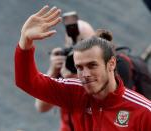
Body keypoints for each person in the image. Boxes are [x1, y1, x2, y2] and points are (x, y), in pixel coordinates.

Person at [15, 5, 151, 131]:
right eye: (79, 67)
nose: (85, 74)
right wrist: (25, 42)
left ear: (112, 63)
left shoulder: (144, 113)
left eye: (92, 65)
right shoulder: (74, 91)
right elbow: (28, 82)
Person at [35, 12, 95, 131]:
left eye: (87, 46)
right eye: (75, 48)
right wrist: (52, 72)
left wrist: (77, 81)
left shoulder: (106, 66)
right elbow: (41, 107)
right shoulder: (64, 66)